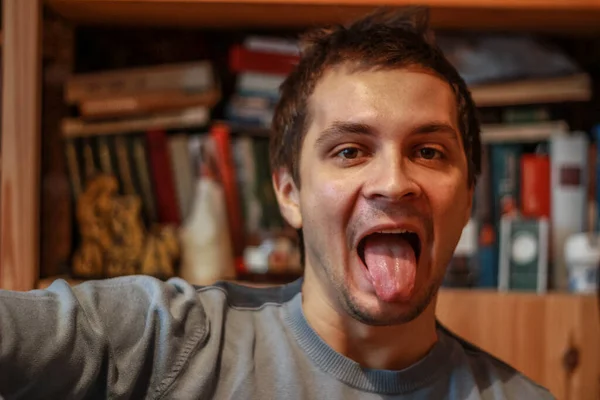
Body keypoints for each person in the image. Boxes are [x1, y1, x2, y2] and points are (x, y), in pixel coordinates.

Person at [0, 7, 554, 400]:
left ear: (469, 197)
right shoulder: (167, 342)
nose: (394, 182)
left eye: (428, 151)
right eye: (350, 150)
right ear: (289, 193)